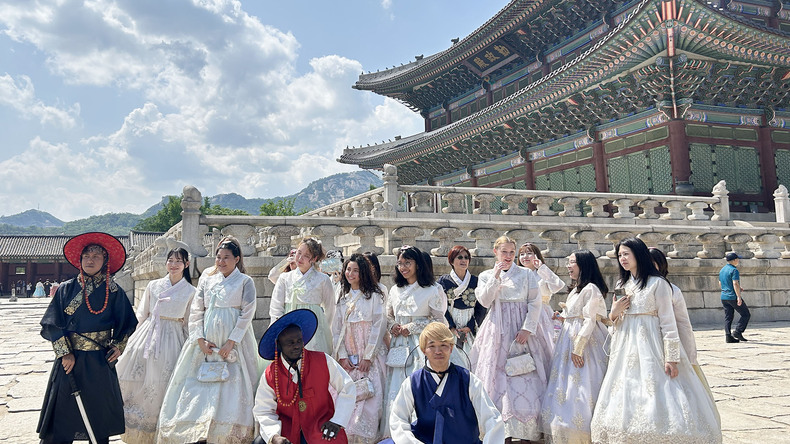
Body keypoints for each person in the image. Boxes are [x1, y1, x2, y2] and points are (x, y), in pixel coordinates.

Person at [590, 238, 721, 443]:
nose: (622, 259)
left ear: (638, 254)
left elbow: (669, 323)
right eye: (620, 255)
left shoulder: (658, 284)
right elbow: (615, 322)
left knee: (658, 389)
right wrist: (614, 312)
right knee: (627, 389)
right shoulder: (622, 283)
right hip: (626, 345)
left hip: (652, 344)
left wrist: (672, 357)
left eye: (626, 254)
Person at [37, 232, 138, 444]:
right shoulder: (66, 289)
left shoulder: (114, 291)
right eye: (86, 256)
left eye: (96, 256)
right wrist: (65, 353)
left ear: (105, 261)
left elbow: (128, 322)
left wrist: (118, 345)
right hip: (69, 362)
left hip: (99, 362)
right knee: (62, 415)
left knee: (97, 416)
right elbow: (52, 324)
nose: (90, 260)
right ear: (80, 260)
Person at [158, 236, 261, 444]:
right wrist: (199, 339)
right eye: (218, 257)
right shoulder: (207, 277)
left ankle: (227, 431)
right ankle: (197, 428)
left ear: (237, 259)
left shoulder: (244, 281)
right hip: (207, 340)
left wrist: (232, 341)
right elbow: (197, 309)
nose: (221, 261)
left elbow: (247, 312)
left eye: (226, 258)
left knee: (233, 383)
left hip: (232, 340)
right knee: (197, 384)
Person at [470, 235, 551, 443]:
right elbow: (485, 301)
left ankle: (527, 431)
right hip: (496, 332)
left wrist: (527, 328)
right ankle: (501, 431)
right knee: (497, 381)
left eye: (511, 252)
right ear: (495, 252)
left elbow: (535, 302)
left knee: (526, 378)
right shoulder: (487, 275)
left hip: (521, 332)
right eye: (503, 252)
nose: (508, 256)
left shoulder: (525, 274)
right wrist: (495, 277)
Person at [115, 247, 196, 444]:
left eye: (178, 261)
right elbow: (142, 314)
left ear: (186, 264)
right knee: (138, 378)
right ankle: (135, 428)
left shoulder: (191, 291)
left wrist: (190, 346)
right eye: (170, 260)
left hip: (173, 336)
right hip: (149, 333)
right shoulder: (154, 285)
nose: (173, 264)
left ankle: (162, 429)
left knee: (165, 382)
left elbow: (188, 321)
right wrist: (133, 339)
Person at [386, 322, 505, 444]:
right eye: (432, 346)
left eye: (443, 345)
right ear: (423, 350)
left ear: (451, 348)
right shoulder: (413, 382)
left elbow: (492, 418)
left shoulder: (468, 379)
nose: (438, 351)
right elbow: (398, 419)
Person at [254, 309, 356, 444]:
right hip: (287, 430)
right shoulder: (271, 373)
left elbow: (347, 386)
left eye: (299, 341)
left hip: (320, 426)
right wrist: (274, 436)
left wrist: (337, 421)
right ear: (279, 345)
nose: (296, 346)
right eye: (290, 342)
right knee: (260, 442)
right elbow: (263, 410)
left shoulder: (322, 360)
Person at [540, 250, 609, 444]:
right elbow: (574, 316)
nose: (568, 266)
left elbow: (589, 320)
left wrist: (578, 348)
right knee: (566, 384)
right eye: (568, 262)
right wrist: (562, 317)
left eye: (572, 263)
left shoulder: (591, 289)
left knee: (583, 383)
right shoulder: (577, 289)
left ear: (584, 265)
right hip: (568, 339)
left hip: (584, 342)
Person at [649, 247, 720, 426]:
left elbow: (682, 324)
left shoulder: (672, 289)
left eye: (653, 263)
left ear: (661, 265)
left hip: (667, 345)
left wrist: (689, 354)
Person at [382, 246, 448, 438]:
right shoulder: (395, 289)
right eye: (400, 263)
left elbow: (439, 320)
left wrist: (411, 327)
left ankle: (422, 432)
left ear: (418, 264)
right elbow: (388, 315)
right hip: (398, 346)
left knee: (418, 386)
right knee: (397, 386)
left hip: (421, 347)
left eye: (408, 263)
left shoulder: (433, 290)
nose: (403, 267)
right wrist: (393, 325)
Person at [331, 254, 388, 444]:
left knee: (373, 394)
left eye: (355, 270)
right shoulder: (342, 297)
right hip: (349, 351)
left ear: (363, 272)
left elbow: (379, 325)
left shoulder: (374, 296)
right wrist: (341, 355)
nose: (350, 273)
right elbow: (336, 328)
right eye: (348, 269)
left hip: (368, 353)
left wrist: (369, 356)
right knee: (349, 394)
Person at [270, 237, 336, 354]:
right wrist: (279, 327)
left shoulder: (323, 279)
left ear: (314, 259)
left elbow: (330, 308)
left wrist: (323, 328)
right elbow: (276, 306)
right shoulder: (285, 278)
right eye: (299, 253)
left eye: (306, 255)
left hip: (314, 327)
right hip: (289, 325)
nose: (300, 258)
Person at [437, 246, 485, 360]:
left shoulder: (475, 281)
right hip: (449, 323)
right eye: (459, 257)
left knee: (472, 358)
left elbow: (481, 307)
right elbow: (439, 307)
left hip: (469, 323)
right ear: (452, 261)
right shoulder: (443, 281)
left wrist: (470, 326)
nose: (464, 260)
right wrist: (451, 327)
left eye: (466, 257)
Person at [517, 243, 563, 358]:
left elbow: (557, 286)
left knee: (544, 349)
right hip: (522, 313)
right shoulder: (517, 275)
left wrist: (542, 268)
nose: (525, 256)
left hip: (542, 314)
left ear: (536, 255)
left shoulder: (542, 273)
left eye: (529, 253)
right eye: (522, 254)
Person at [719, 252, 750, 343]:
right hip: (732, 297)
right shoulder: (734, 270)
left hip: (724, 296)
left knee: (728, 317)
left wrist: (730, 289)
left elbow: (720, 283)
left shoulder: (722, 270)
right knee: (745, 314)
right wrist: (739, 297)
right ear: (734, 260)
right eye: (738, 259)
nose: (738, 261)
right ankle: (737, 332)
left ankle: (728, 336)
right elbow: (735, 283)